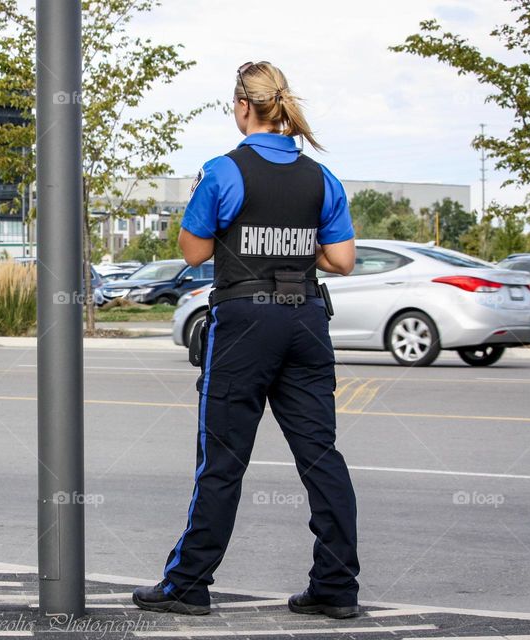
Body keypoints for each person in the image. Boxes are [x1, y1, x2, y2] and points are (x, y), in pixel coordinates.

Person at [132, 61, 360, 619]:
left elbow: (193, 252)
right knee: (320, 457)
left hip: (245, 326)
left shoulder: (223, 171)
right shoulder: (320, 177)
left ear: (242, 107)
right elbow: (344, 261)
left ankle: (188, 584)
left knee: (223, 461)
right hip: (306, 320)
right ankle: (335, 587)